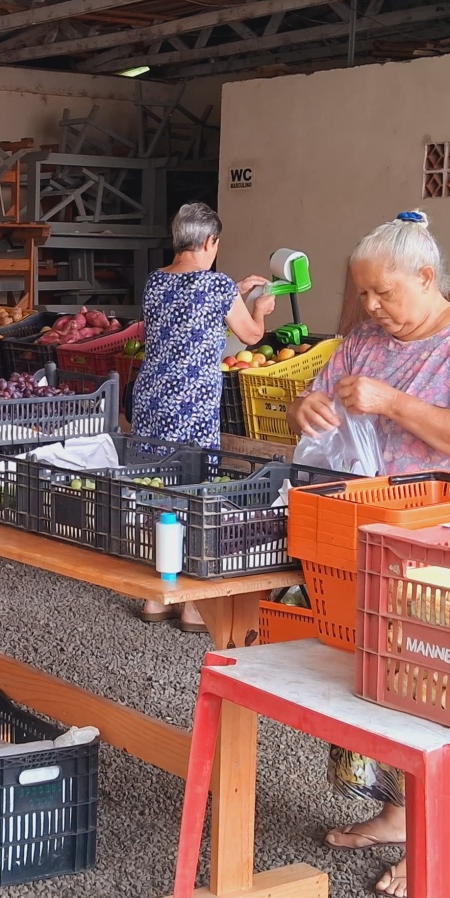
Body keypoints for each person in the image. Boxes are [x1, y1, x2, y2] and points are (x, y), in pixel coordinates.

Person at [288, 209, 450, 898]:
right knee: (366, 680)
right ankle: (396, 811)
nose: (370, 306)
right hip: (362, 535)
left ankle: (437, 840)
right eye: (362, 293)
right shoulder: (361, 341)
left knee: (432, 690)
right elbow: (318, 397)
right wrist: (306, 409)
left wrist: (391, 402)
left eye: (383, 292)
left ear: (425, 276)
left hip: (442, 546)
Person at [129, 202, 275, 630]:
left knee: (157, 486)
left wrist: (234, 291)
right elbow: (250, 335)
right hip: (193, 402)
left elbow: (189, 315)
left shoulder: (155, 281)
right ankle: (193, 605)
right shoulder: (218, 287)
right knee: (196, 491)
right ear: (211, 241)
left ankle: (155, 597)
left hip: (152, 396)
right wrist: (259, 309)